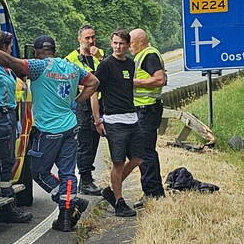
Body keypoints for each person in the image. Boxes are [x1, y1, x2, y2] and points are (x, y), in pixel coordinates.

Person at [0, 33, 100, 232]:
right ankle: (65, 213)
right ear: (54, 50)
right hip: (70, 126)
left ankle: (66, 203)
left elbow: (10, 61)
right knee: (68, 172)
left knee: (39, 172)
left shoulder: (39, 66)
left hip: (48, 130)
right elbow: (94, 82)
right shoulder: (71, 67)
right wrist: (77, 100)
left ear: (36, 52)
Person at [90, 30, 143, 217]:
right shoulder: (105, 65)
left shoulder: (130, 63)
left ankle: (111, 191)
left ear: (128, 45)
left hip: (132, 117)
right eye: (115, 43)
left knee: (138, 158)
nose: (118, 46)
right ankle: (119, 202)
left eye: (121, 43)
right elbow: (93, 93)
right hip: (113, 120)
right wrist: (98, 120)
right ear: (111, 44)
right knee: (118, 162)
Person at [0, 29, 33, 223]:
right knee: (3, 164)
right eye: (10, 47)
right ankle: (7, 208)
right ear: (3, 48)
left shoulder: (5, 67)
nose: (11, 50)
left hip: (8, 117)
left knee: (7, 162)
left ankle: (7, 205)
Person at [64, 25, 105, 196]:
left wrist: (100, 57)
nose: (91, 41)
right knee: (84, 142)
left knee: (94, 141)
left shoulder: (99, 55)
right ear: (79, 39)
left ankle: (88, 177)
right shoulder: (71, 59)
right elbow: (67, 81)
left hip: (100, 103)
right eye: (87, 38)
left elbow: (110, 72)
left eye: (93, 37)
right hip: (81, 104)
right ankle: (85, 180)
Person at [130, 28, 168, 207]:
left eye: (131, 42)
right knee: (143, 151)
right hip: (144, 108)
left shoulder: (148, 55)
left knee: (145, 152)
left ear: (140, 42)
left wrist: (133, 82)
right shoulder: (142, 55)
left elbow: (160, 79)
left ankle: (153, 193)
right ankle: (152, 191)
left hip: (147, 109)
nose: (129, 47)